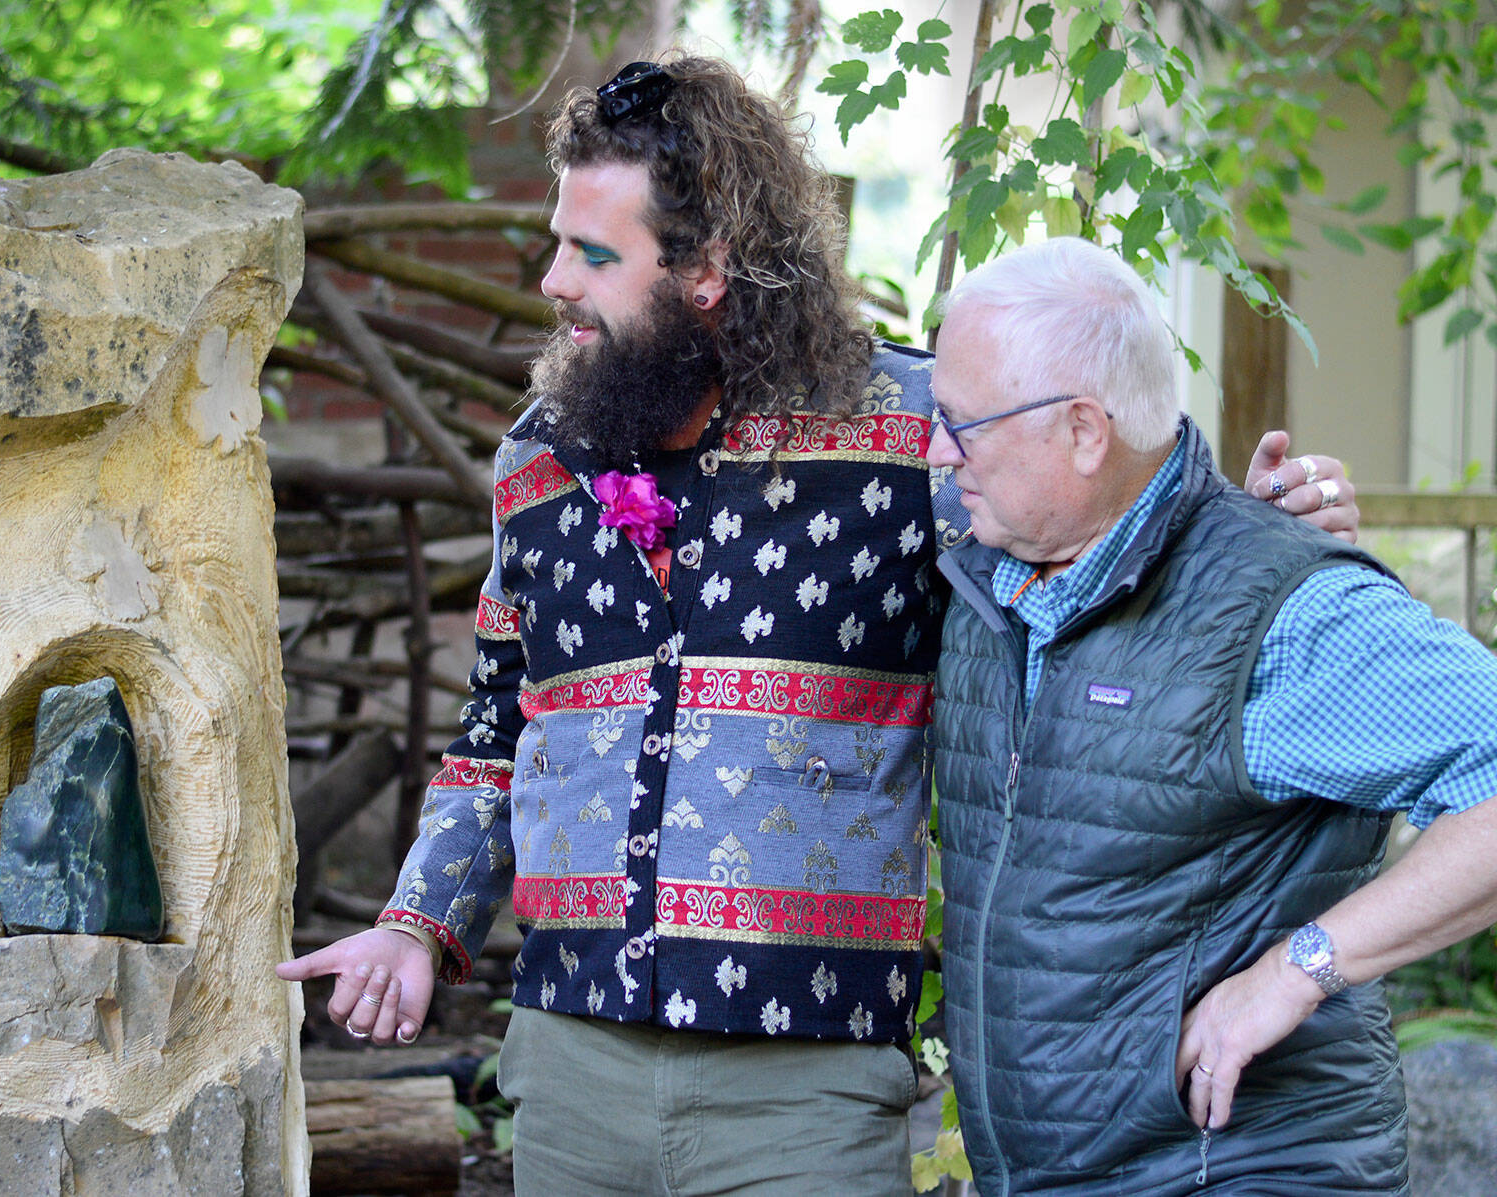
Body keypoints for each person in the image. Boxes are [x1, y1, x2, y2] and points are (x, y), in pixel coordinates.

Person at [279, 57, 1355, 1194]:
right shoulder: (539, 458)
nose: (551, 280)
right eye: (557, 242)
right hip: (569, 1073)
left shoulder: (910, 438)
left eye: (593, 254)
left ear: (707, 267)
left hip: (806, 1091)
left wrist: (1256, 528)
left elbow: (1090, 555)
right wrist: (415, 923)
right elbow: (497, 733)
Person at [925, 235, 1497, 1194]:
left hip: (1238, 1168)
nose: (937, 449)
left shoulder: (1282, 612)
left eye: (961, 421)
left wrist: (1297, 970)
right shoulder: (991, 575)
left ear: (1084, 431)